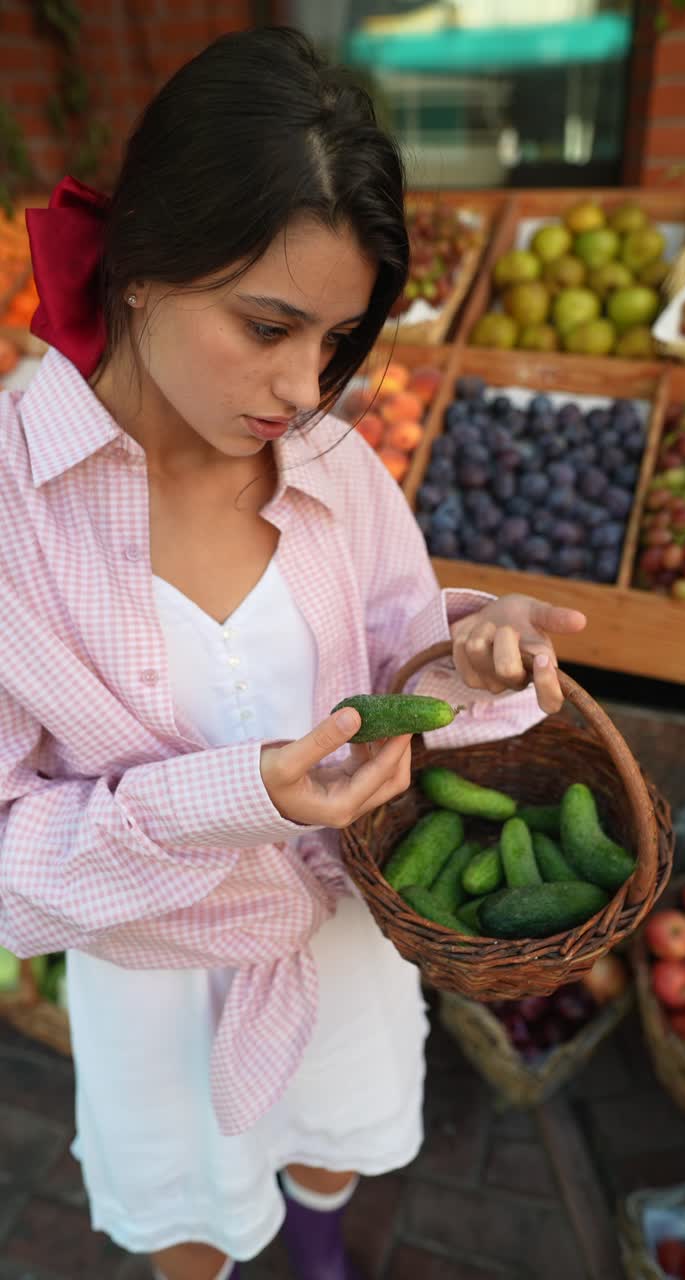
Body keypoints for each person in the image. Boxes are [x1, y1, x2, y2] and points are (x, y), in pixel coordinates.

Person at [0, 26, 587, 1280]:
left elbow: (393, 673)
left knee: (330, 1147)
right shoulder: (14, 511)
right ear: (145, 268)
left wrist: (462, 661)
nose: (299, 386)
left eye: (334, 341)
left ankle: (319, 1245)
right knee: (195, 1221)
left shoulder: (332, 466)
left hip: (337, 937)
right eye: (265, 325)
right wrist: (235, 798)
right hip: (156, 978)